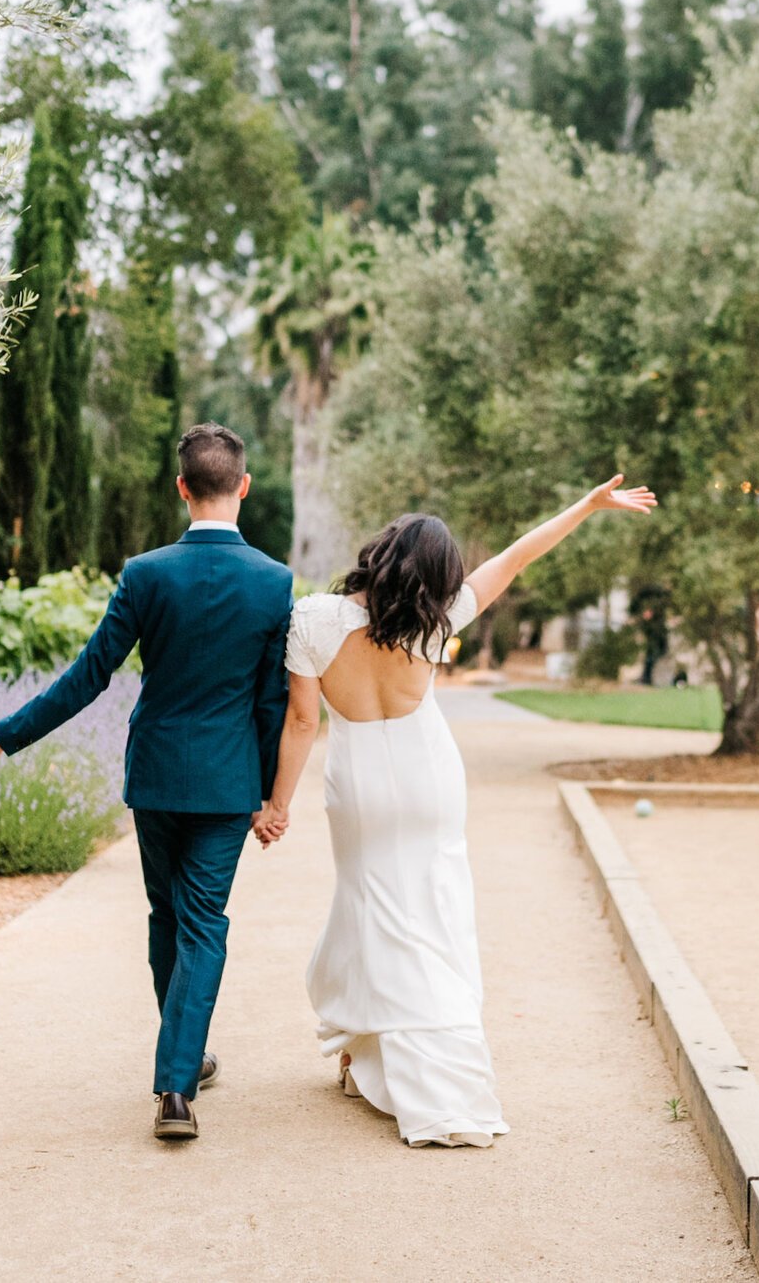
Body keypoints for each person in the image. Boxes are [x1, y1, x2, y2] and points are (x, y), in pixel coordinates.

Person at [256, 475, 657, 1147]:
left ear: (380, 552)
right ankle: (415, 1061)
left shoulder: (313, 619)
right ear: (437, 576)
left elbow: (301, 723)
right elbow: (521, 555)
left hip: (357, 787)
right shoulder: (438, 620)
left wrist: (277, 805)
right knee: (432, 912)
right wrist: (585, 508)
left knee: (368, 907)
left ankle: (364, 1050)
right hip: (430, 780)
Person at [0, 424, 291, 1143]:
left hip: (157, 776)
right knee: (201, 923)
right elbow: (269, 703)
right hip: (227, 783)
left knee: (168, 918)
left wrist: (6, 735)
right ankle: (176, 1082)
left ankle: (182, 1063)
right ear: (244, 488)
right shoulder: (274, 581)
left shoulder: (146, 574)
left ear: (181, 488)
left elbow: (89, 676)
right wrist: (267, 794)